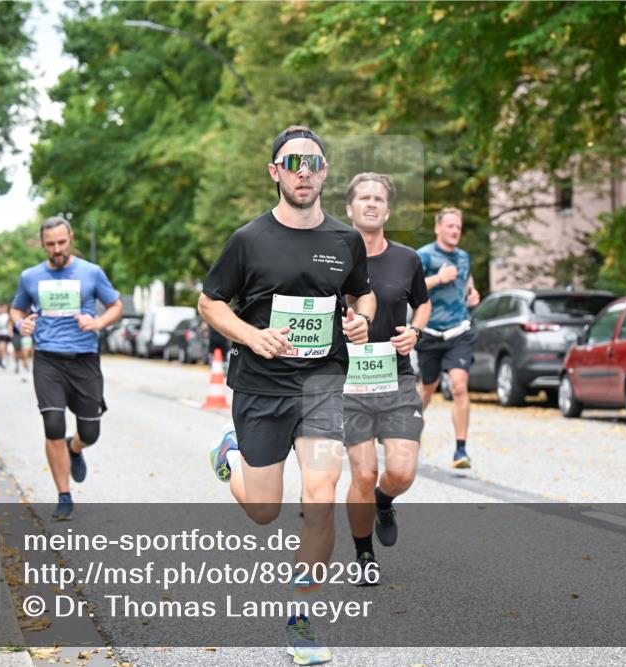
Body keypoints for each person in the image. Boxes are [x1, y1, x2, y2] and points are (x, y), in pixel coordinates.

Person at [199, 125, 375, 665]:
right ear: (274, 172)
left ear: (325, 173)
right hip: (260, 385)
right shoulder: (248, 240)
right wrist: (251, 335)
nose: (305, 171)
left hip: (323, 384)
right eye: (293, 162)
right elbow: (210, 303)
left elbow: (362, 294)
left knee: (320, 499)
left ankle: (301, 619)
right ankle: (231, 454)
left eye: (314, 163)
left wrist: (362, 321)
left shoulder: (345, 241)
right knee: (263, 511)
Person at [341, 173, 431, 583]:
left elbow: (423, 305)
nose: (371, 203)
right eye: (364, 197)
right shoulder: (332, 258)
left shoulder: (407, 259)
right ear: (349, 208)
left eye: (379, 198)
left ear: (388, 210)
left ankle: (384, 501)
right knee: (361, 473)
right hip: (350, 383)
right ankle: (364, 556)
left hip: (395, 379)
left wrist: (415, 331)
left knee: (401, 473)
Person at [11, 216, 122, 521]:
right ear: (42, 244)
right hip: (47, 359)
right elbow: (16, 308)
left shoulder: (92, 273)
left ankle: (75, 449)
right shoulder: (30, 277)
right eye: (50, 245)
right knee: (53, 426)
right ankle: (64, 495)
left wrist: (98, 322)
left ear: (71, 238)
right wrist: (21, 323)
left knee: (90, 431)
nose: (57, 249)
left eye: (62, 243)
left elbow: (116, 305)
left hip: (85, 359)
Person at [415, 207, 481, 468]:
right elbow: (413, 286)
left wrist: (472, 294)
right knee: (427, 389)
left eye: (458, 227)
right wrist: (438, 278)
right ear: (438, 228)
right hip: (430, 331)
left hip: (458, 331)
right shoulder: (424, 255)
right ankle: (410, 436)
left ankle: (461, 451)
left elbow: (467, 283)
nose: (455, 231)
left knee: (459, 385)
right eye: (450, 226)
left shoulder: (464, 257)